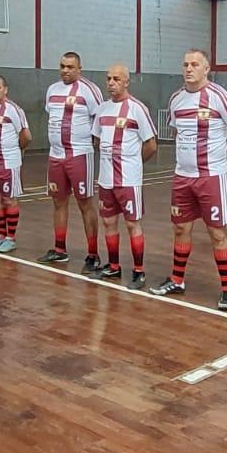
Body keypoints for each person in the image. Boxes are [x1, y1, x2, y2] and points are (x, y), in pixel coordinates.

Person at [152, 48, 227, 310]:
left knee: (217, 233)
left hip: (211, 177)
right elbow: (177, 133)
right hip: (182, 178)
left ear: (206, 69)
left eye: (195, 64)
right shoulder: (176, 99)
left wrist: (220, 148)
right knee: (180, 229)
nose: (189, 69)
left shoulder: (219, 96)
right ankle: (177, 280)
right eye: (185, 64)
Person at [90, 63, 158, 290]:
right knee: (108, 222)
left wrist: (134, 163)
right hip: (105, 179)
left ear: (127, 82)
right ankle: (113, 265)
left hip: (128, 180)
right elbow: (96, 139)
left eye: (116, 79)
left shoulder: (137, 109)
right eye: (109, 78)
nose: (111, 83)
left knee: (132, 224)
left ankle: (139, 270)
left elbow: (151, 144)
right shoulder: (102, 109)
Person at [40, 52, 106, 269]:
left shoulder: (89, 90)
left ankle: (93, 254)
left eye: (70, 67)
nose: (65, 70)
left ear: (79, 69)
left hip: (79, 155)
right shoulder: (52, 90)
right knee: (58, 202)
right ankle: (59, 249)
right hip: (55, 155)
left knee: (85, 203)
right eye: (62, 66)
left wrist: (96, 143)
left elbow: (100, 119)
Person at [0, 75, 31, 252]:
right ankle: (0, 235)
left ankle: (11, 238)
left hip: (8, 164)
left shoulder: (13, 110)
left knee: (9, 200)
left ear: (5, 89)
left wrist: (17, 152)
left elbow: (26, 136)